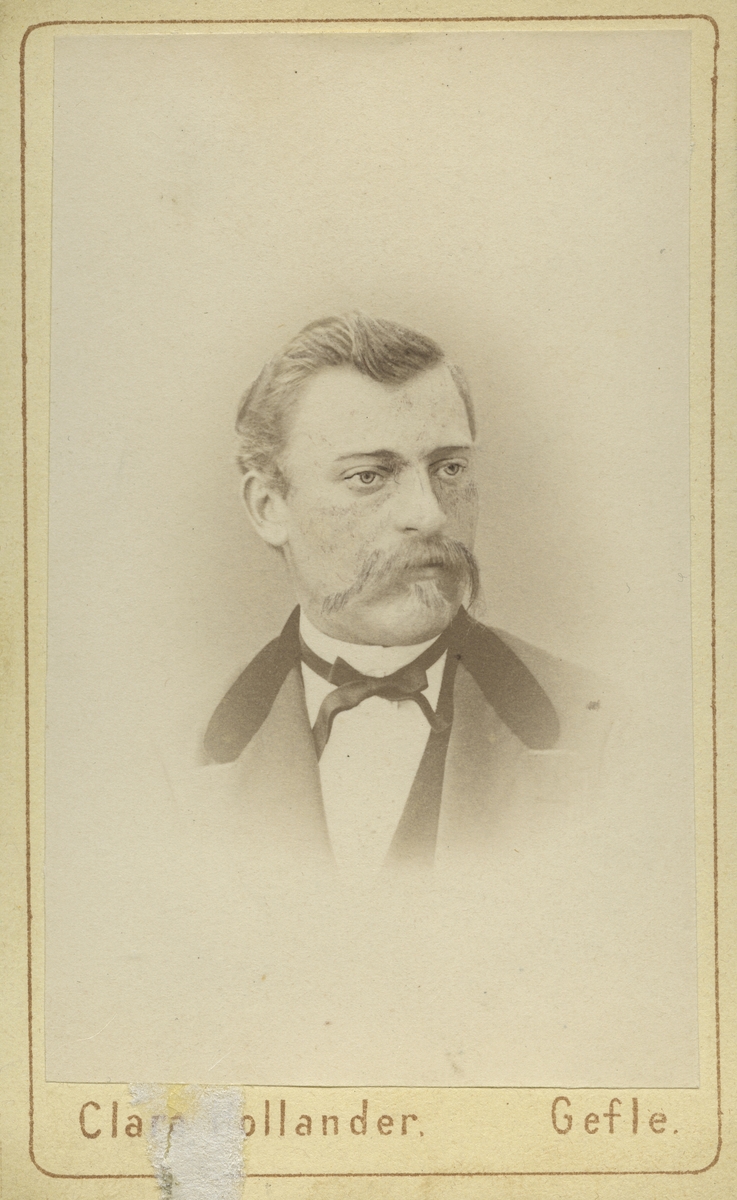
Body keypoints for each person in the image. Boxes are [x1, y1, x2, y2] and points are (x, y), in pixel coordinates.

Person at [203, 312, 613, 878]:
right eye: (368, 476)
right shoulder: (168, 754)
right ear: (268, 507)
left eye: (450, 468)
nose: (430, 513)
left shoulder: (608, 731)